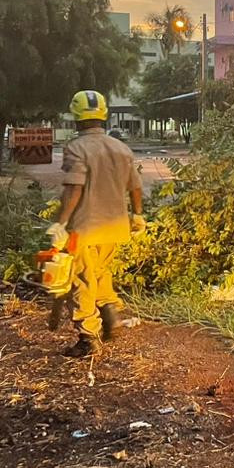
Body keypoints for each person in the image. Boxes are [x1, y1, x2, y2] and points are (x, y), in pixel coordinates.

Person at [45, 90, 145, 358]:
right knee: (99, 272)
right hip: (115, 227)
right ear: (103, 115)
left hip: (84, 228)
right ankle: (110, 316)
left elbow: (74, 188)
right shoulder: (121, 148)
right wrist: (137, 215)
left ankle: (88, 338)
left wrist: (62, 223)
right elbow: (135, 187)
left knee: (81, 281)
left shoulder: (76, 148)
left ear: (77, 118)